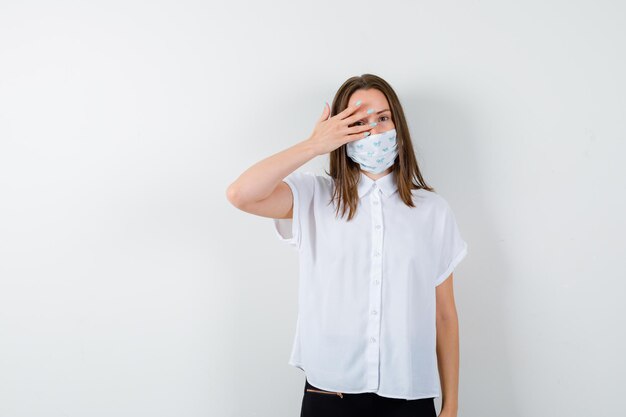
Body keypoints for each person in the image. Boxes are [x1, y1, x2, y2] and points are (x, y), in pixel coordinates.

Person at [226, 74, 468, 417]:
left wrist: (452, 404)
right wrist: (313, 145)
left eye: (383, 118)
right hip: (331, 393)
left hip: (409, 395)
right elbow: (241, 194)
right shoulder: (315, 196)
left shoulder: (432, 211)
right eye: (358, 122)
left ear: (398, 124)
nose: (373, 130)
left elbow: (444, 314)